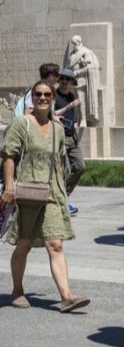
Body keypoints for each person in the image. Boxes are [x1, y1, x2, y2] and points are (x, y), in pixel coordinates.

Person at [2, 80, 90, 313]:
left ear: (52, 98)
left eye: (47, 95)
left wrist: (61, 190)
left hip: (51, 192)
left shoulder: (58, 128)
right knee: (24, 244)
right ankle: (18, 290)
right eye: (38, 94)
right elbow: (9, 156)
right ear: (32, 97)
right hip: (27, 193)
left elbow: (59, 162)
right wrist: (9, 188)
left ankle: (66, 295)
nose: (42, 98)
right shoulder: (22, 124)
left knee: (55, 243)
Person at [55, 69, 85, 216]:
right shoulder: (54, 95)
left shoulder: (71, 95)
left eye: (68, 80)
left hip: (72, 137)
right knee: (59, 170)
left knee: (80, 166)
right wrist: (69, 107)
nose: (65, 82)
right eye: (62, 79)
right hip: (59, 137)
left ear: (72, 83)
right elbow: (52, 114)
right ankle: (60, 202)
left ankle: (63, 196)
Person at [66, 35, 101, 126]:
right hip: (72, 81)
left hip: (81, 80)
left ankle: (83, 120)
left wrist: (77, 72)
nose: (73, 45)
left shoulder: (86, 52)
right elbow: (69, 66)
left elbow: (90, 67)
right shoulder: (72, 54)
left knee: (81, 101)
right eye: (72, 43)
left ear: (79, 42)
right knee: (75, 101)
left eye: (74, 43)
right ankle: (77, 119)